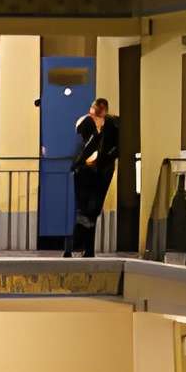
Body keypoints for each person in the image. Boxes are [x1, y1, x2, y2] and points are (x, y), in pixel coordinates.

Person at [71, 96, 123, 257]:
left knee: (89, 210)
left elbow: (108, 148)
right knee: (88, 211)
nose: (93, 117)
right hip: (92, 171)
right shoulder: (92, 125)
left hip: (98, 171)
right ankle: (84, 248)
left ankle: (80, 246)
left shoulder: (111, 126)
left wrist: (78, 163)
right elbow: (89, 145)